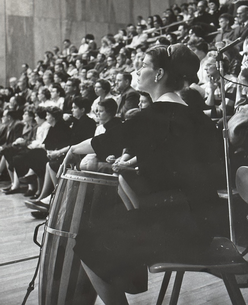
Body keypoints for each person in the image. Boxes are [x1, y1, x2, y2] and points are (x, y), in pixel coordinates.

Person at [59, 44, 228, 305]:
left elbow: (107, 141)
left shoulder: (156, 115)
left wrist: (71, 150)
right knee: (114, 222)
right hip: (204, 223)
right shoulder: (196, 116)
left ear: (159, 74)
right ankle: (126, 272)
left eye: (144, 65)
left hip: (182, 229)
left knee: (88, 241)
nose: (138, 70)